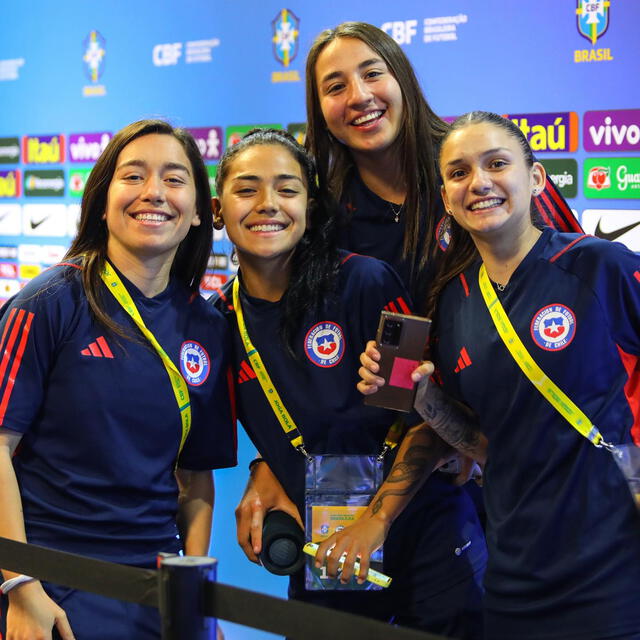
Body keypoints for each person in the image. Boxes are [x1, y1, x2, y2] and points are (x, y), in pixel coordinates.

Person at [359, 111, 640, 639]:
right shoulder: (454, 305)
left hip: (614, 573)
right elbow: (483, 446)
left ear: (535, 179)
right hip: (514, 579)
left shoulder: (601, 267)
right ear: (446, 196)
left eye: (497, 163)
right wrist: (424, 397)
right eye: (459, 172)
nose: (479, 182)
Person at [210, 128, 487, 638]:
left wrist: (376, 520)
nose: (267, 204)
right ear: (216, 209)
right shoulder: (220, 323)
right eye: (247, 189)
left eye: (288, 190)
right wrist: (267, 466)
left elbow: (425, 416)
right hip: (330, 553)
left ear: (311, 208)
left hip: (431, 539)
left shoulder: (364, 282)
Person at [0, 119, 236, 640]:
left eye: (175, 179)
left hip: (154, 591)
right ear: (103, 199)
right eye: (133, 176)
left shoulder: (209, 327)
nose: (153, 192)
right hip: (52, 585)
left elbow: (196, 481)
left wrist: (193, 600)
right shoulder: (46, 304)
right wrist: (19, 586)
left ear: (200, 211)